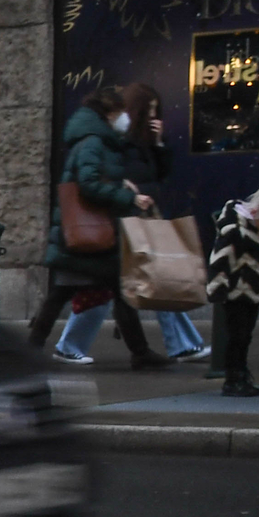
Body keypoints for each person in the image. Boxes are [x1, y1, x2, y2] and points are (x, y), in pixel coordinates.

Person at [44, 87, 167, 367]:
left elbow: (96, 178)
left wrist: (121, 186)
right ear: (110, 113)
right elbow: (88, 183)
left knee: (112, 289)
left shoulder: (99, 140)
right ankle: (37, 347)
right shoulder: (93, 142)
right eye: (121, 112)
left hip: (94, 227)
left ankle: (140, 352)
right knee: (61, 293)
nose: (125, 117)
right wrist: (128, 196)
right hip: (90, 228)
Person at [119, 83, 207, 362]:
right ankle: (180, 344)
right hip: (132, 216)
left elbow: (161, 175)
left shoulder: (145, 142)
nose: (154, 117)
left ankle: (67, 343)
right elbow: (132, 177)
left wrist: (159, 144)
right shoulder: (123, 141)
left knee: (154, 277)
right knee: (157, 276)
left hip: (144, 213)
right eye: (150, 111)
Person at [207, 180, 259, 397]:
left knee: (245, 335)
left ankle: (240, 374)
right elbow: (221, 260)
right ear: (257, 213)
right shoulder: (234, 230)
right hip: (236, 291)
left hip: (253, 290)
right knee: (237, 335)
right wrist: (219, 288)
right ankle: (233, 377)